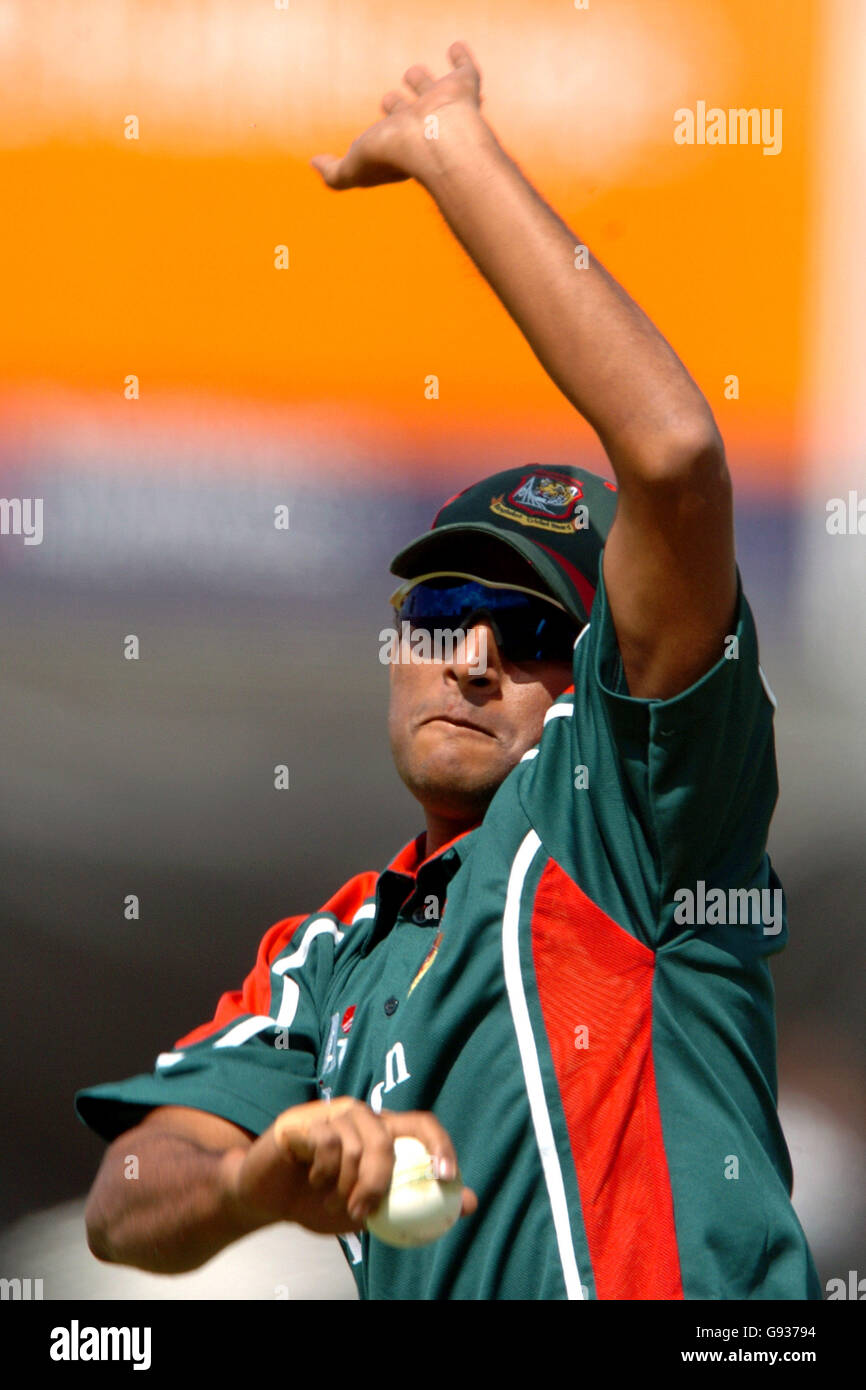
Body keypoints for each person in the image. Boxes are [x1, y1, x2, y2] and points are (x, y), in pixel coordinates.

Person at [76, 42, 820, 1300]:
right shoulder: (331, 947)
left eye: (527, 631)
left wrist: (449, 151)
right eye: (441, 613)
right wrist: (258, 1181)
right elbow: (123, 1204)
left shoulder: (628, 814)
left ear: (595, 677)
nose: (469, 658)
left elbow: (675, 453)